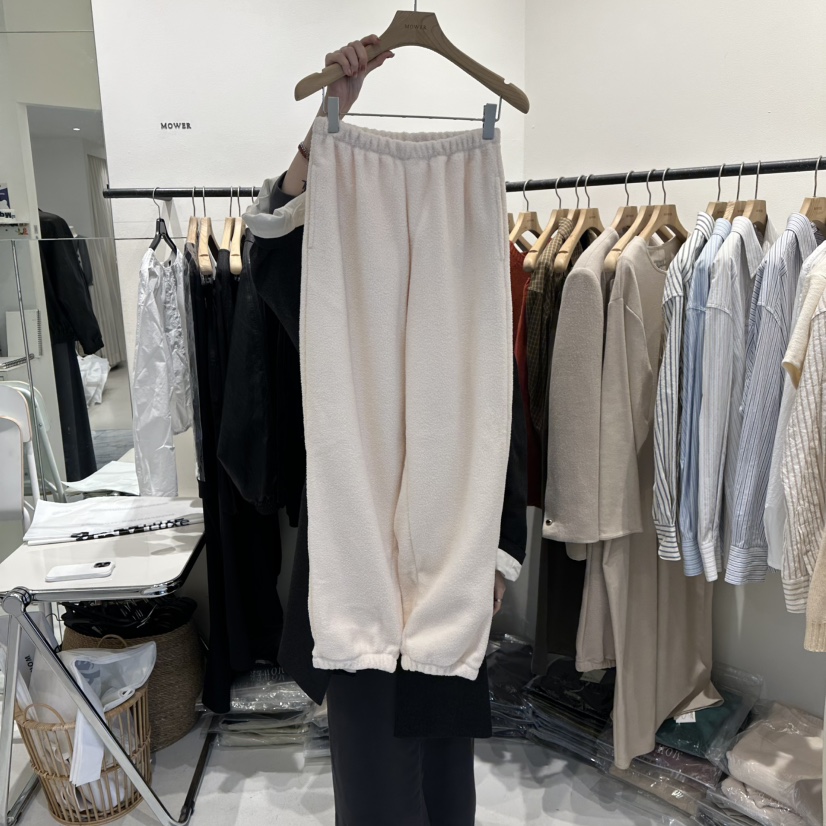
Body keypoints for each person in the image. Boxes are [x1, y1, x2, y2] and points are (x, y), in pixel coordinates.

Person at [247, 35, 527, 825]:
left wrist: (496, 543)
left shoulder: (475, 233)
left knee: (444, 774)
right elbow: (271, 259)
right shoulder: (326, 244)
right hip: (355, 548)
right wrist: (323, 136)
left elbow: (495, 400)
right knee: (374, 773)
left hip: (455, 547)